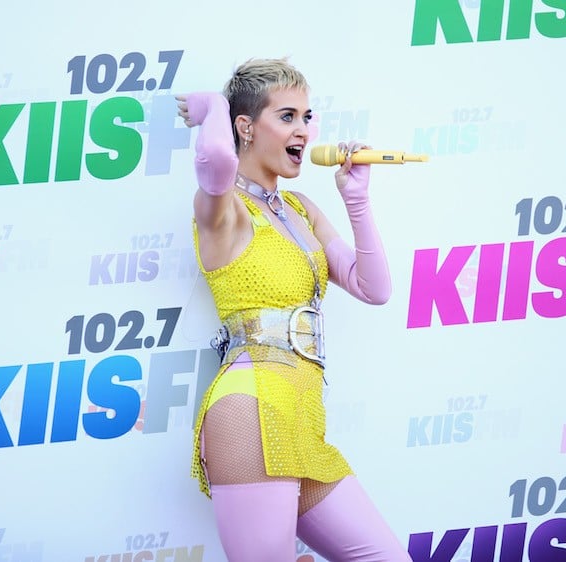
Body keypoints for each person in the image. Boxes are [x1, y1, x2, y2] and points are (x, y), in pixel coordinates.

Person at [176, 57, 411, 562]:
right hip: (248, 411)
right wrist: (214, 107)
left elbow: (374, 288)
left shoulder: (301, 207)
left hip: (303, 416)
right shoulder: (222, 209)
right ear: (245, 127)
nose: (303, 129)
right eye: (286, 116)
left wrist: (356, 198)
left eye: (306, 117)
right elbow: (216, 159)